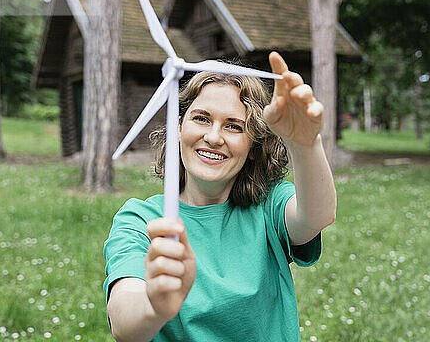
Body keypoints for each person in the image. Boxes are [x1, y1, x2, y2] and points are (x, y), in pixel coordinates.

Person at [103, 52, 337, 342]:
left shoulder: (269, 206)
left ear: (253, 145)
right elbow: (124, 323)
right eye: (201, 118)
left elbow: (318, 214)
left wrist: (304, 143)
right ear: (179, 127)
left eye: (233, 126)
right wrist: (154, 306)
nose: (214, 137)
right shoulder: (143, 221)